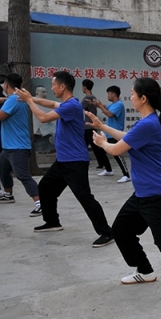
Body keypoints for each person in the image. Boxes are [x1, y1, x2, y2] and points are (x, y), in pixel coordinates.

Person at [86, 78, 161, 319]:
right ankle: (145, 271)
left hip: (158, 195)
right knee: (121, 230)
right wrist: (103, 127)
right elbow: (127, 136)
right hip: (143, 194)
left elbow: (117, 149)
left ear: (143, 98)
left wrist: (103, 143)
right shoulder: (146, 122)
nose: (131, 97)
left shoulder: (148, 124)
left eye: (133, 94)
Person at [16, 71, 113, 248]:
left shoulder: (72, 106)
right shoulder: (67, 104)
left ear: (62, 86)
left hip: (75, 161)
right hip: (63, 161)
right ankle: (52, 221)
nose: (51, 88)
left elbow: (43, 118)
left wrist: (29, 101)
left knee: (85, 197)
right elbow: (50, 103)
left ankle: (107, 232)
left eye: (53, 85)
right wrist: (31, 98)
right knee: (45, 187)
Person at [0, 73, 42, 216]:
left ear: (6, 85)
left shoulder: (12, 100)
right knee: (3, 167)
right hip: (10, 146)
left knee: (22, 175)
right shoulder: (19, 98)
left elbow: (1, 116)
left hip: (17, 146)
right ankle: (8, 194)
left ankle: (40, 203)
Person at [92, 86, 131, 183]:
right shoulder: (113, 104)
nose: (108, 95)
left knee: (117, 154)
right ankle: (109, 170)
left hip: (115, 133)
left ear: (113, 94)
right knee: (100, 150)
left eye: (109, 93)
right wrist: (97, 104)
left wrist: (100, 106)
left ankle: (126, 175)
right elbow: (105, 107)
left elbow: (109, 114)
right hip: (108, 134)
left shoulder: (119, 105)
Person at [81, 79, 109, 171]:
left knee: (91, 146)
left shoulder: (86, 98)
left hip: (88, 125)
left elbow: (78, 107)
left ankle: (102, 163)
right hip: (91, 124)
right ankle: (102, 163)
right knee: (95, 146)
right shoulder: (94, 97)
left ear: (84, 87)